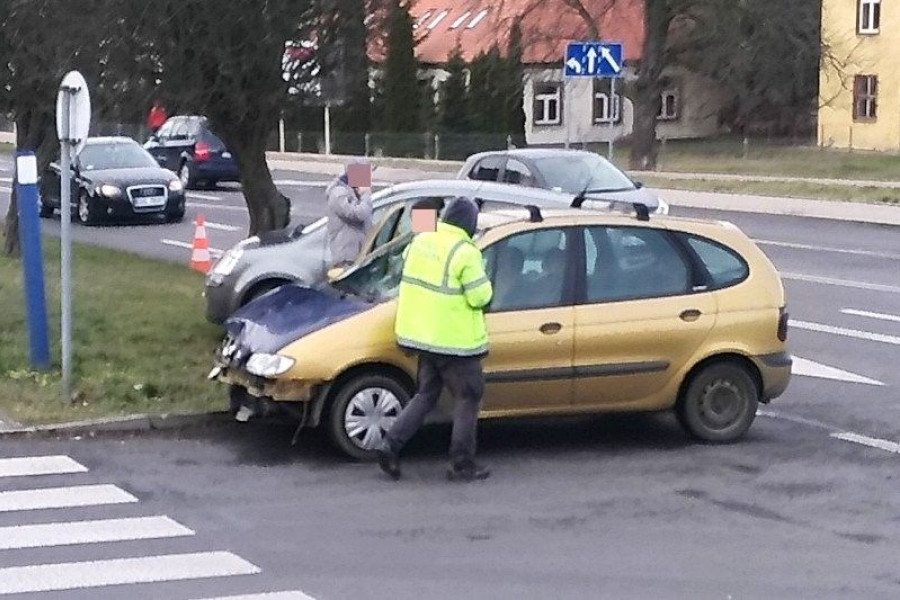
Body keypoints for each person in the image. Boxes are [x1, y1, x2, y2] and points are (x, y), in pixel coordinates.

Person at [377, 197, 494, 482]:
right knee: (468, 397)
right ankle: (462, 464)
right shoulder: (466, 252)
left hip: (423, 338)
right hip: (455, 343)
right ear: (469, 224)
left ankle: (389, 446)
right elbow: (481, 296)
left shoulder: (422, 241)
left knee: (426, 395)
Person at [326, 162, 373, 268]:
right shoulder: (338, 193)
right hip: (346, 258)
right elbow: (358, 215)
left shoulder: (354, 192)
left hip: (358, 256)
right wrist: (366, 195)